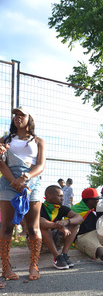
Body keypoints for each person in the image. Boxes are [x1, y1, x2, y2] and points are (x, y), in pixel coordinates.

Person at [0, 106, 46, 283]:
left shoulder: (39, 141)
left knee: (33, 227)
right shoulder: (4, 140)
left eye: (22, 115)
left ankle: (34, 264)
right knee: (6, 227)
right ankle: (6, 267)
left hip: (32, 182)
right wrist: (15, 182)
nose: (18, 118)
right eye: (15, 115)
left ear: (30, 118)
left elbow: (40, 166)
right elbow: (2, 164)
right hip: (8, 182)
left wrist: (25, 178)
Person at [40, 185, 83, 269]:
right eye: (59, 196)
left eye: (62, 196)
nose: (62, 199)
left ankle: (64, 255)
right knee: (44, 228)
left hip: (55, 241)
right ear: (48, 196)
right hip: (40, 244)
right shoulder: (39, 207)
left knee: (75, 224)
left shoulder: (61, 208)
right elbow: (39, 221)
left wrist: (66, 221)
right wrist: (59, 226)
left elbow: (79, 218)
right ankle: (57, 257)